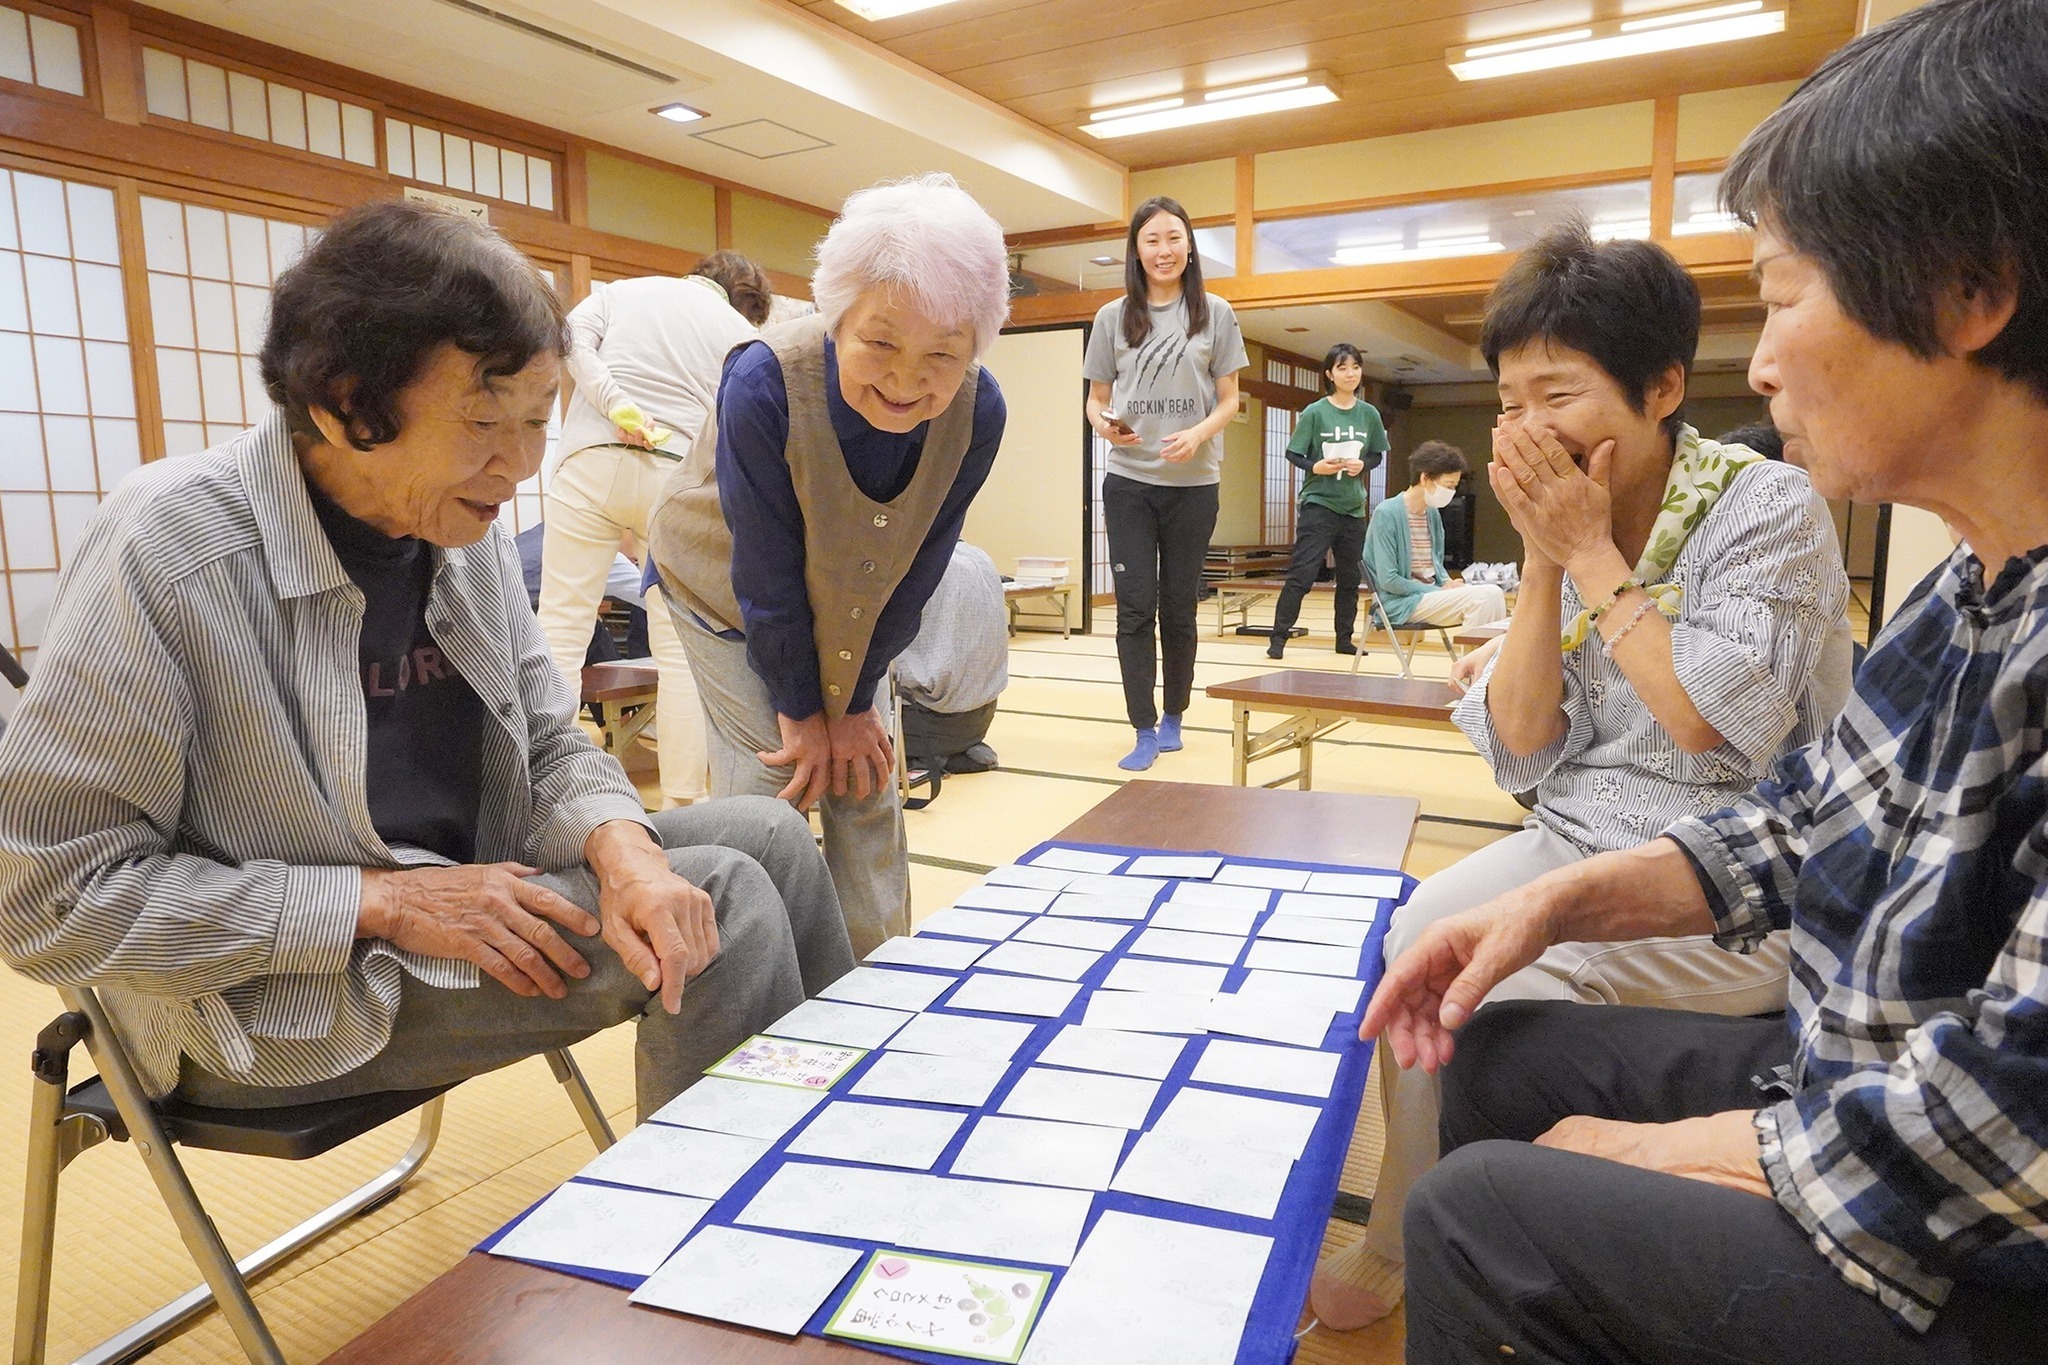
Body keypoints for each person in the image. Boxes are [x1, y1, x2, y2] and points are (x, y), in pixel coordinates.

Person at [1371, 3, 2046, 1356]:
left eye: (1788, 292)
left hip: (1967, 1228)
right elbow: (1780, 816)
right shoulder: (1971, 588)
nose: (1774, 357)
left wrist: (1718, 1149)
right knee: (1471, 1014)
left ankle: (1424, 1238)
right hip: (1759, 973)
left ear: (1972, 293)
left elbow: (2016, 1105)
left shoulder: (1761, 509)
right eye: (1510, 402)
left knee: (1486, 1212)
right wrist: (1563, 897)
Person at [0, 202, 854, 1124]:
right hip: (268, 995)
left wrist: (621, 846)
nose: (520, 464)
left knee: (769, 843)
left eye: (538, 422)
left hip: (466, 888)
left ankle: (852, 1161)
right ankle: (713, 1245)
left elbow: (545, 740)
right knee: (722, 908)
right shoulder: (171, 545)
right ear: (343, 405)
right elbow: (48, 894)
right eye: (486, 422)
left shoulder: (455, 523)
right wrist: (380, 903)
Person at [1312, 222, 1854, 1333]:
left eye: (1552, 394)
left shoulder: (1766, 507)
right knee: (1413, 942)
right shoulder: (1553, 524)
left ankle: (1516, 1250)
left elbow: (1708, 725)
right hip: (1569, 843)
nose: (1522, 429)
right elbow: (1521, 747)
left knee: (1484, 1003)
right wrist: (1544, 564)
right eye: (1507, 402)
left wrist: (1590, 549)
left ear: (1658, 388)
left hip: (1726, 881)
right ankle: (1407, 1232)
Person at [649, 174, 1009, 957]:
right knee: (772, 782)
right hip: (725, 592)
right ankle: (758, 991)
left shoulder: (979, 411)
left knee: (866, 778)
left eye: (942, 354)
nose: (907, 380)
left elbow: (921, 566)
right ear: (835, 317)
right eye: (880, 342)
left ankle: (877, 985)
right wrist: (807, 713)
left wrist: (852, 708)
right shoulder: (764, 380)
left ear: (973, 348)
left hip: (859, 600)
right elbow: (765, 574)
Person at [536, 250, 771, 808]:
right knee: (680, 651)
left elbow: (567, 339)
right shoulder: (739, 333)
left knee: (559, 632)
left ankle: (541, 796)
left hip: (588, 459)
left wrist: (617, 406)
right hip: (676, 477)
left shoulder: (624, 289)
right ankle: (683, 805)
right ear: (746, 303)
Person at [1083, 196, 1247, 772]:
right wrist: (1106, 428)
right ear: (1136, 249)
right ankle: (1143, 726)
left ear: (1189, 245)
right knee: (1133, 608)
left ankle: (1175, 713)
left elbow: (1230, 400)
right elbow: (1095, 400)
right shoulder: (1112, 317)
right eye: (1151, 239)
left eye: (1173, 237)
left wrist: (1198, 433)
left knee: (1179, 606)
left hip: (1193, 484)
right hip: (1128, 483)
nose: (1163, 250)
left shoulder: (1215, 312)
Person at [1267, 343, 1388, 660]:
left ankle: (1344, 640)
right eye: (1343, 368)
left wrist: (1365, 465)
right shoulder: (1315, 412)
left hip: (1353, 508)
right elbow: (1293, 453)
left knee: (1349, 578)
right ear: (1330, 374)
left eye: (1355, 367)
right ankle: (1278, 638)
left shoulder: (1369, 414)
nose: (1351, 374)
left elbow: (1376, 453)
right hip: (1319, 503)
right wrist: (1315, 466)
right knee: (1302, 573)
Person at [1360, 442, 1507, 633]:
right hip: (1401, 603)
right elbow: (1389, 580)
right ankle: (1473, 662)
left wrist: (1447, 582)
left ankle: (1486, 661)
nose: (1452, 492)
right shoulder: (1387, 513)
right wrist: (1438, 590)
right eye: (1449, 485)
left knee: (1494, 593)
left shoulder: (1432, 513)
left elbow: (1435, 563)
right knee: (1481, 599)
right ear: (1425, 478)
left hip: (1429, 595)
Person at [895, 540, 1007, 776]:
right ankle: (954, 751)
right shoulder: (979, 555)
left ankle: (927, 755)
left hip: (928, 716)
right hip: (981, 715)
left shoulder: (914, 559)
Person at [516, 523, 648, 665]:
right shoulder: (598, 551)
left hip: (503, 622)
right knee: (596, 640)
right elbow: (652, 598)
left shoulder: (552, 528)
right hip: (531, 621)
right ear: (623, 527)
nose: (640, 552)